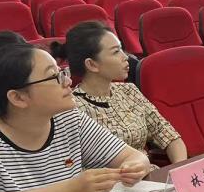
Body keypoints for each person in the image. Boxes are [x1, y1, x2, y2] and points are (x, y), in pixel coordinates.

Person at [0, 41, 152, 192]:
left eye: (63, 72)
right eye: (54, 77)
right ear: (18, 97)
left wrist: (133, 168)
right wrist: (72, 190)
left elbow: (133, 156)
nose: (68, 81)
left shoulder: (68, 119)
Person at [50, 21, 187, 164]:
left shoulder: (129, 91)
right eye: (116, 52)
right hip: (111, 178)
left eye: (121, 49)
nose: (125, 57)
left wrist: (179, 169)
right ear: (92, 64)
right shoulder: (73, 108)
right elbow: (71, 166)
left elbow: (168, 135)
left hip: (150, 174)